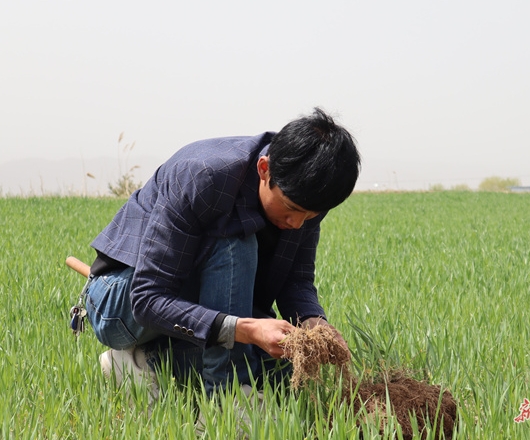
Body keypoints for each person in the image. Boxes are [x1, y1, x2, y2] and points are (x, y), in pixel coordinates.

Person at [81, 107, 360, 398]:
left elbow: (296, 280)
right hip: (122, 303)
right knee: (235, 242)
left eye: (311, 216)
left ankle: (143, 363)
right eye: (292, 210)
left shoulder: (308, 192)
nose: (297, 224)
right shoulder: (204, 177)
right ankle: (226, 398)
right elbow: (149, 299)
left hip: (198, 303)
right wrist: (243, 329)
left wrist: (313, 322)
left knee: (280, 374)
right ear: (264, 169)